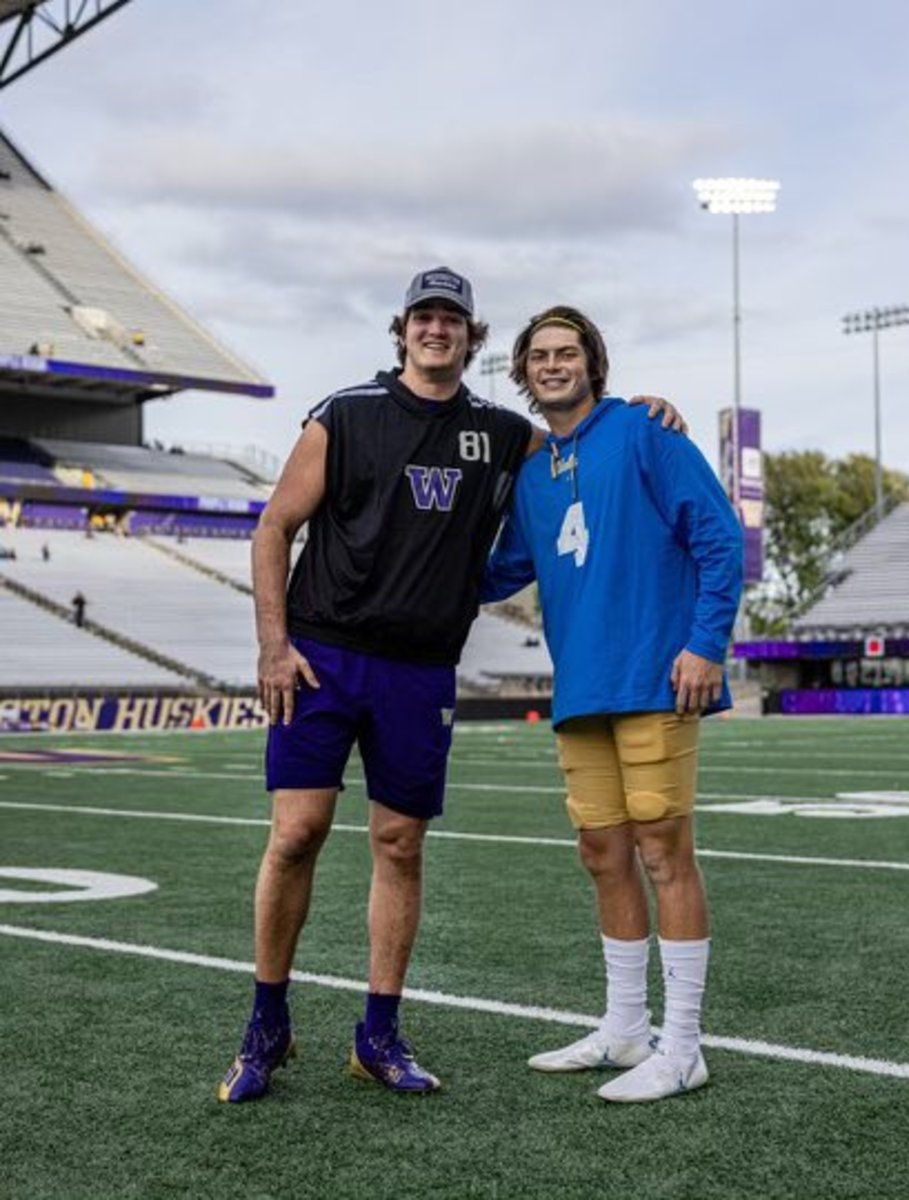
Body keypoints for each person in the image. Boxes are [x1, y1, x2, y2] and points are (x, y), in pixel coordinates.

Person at [218, 270, 686, 1104]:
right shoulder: (344, 413)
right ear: (402, 330)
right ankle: (266, 1025)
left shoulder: (504, 432)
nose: (438, 330)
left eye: (454, 321)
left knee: (400, 843)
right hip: (324, 654)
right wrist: (272, 646)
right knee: (297, 832)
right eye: (425, 317)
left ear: (473, 339)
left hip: (421, 668)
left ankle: (379, 1034)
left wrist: (641, 411)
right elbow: (274, 527)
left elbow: (585, 440)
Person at [482, 305, 743, 1103]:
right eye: (539, 357)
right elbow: (502, 572)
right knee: (602, 853)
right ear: (523, 375)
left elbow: (719, 536)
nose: (554, 365)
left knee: (664, 848)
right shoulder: (532, 473)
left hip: (657, 676)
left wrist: (706, 643)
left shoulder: (645, 432)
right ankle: (627, 1028)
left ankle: (685, 1045)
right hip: (582, 688)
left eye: (568, 353)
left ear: (594, 363)